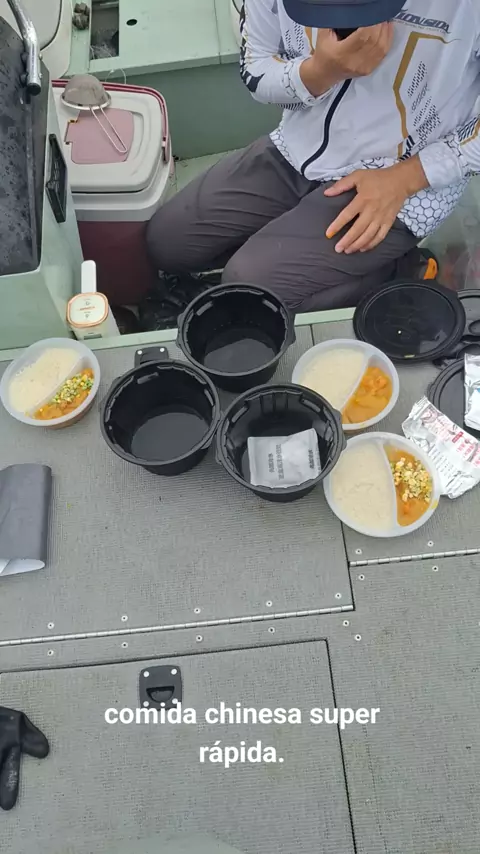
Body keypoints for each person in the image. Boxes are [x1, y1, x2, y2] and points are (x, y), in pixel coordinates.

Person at [147, 0, 480, 313]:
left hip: (403, 179)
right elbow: (256, 66)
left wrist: (405, 179)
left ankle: (400, 269)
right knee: (167, 242)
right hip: (296, 148)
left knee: (249, 287)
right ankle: (291, 255)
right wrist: (321, 71)